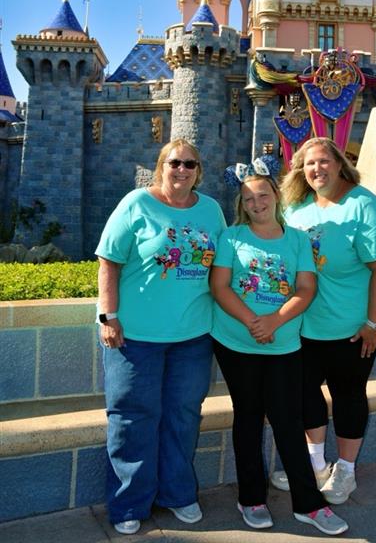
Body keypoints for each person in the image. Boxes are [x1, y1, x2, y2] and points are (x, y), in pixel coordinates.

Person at [209, 157, 348, 536]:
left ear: (276, 196)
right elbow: (219, 286)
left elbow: (306, 288)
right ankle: (251, 498)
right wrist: (252, 322)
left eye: (263, 195)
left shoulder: (298, 240)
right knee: (249, 418)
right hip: (236, 342)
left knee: (289, 421)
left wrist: (274, 321)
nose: (257, 203)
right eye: (249, 198)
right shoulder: (231, 237)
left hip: (284, 342)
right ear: (242, 204)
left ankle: (309, 504)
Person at [95, 138, 226, 535]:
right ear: (161, 166)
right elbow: (108, 262)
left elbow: (222, 266)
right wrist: (107, 316)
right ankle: (129, 503)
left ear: (198, 171)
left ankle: (178, 494)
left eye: (190, 164)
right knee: (133, 417)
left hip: (193, 336)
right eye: (174, 163)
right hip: (134, 336)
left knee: (183, 417)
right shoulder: (137, 203)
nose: (181, 170)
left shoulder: (211, 210)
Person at [271, 137, 376, 505]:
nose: (317, 169)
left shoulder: (363, 204)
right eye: (309, 164)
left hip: (355, 324)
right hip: (308, 321)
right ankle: (314, 464)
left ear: (340, 164)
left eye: (324, 161)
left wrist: (373, 323)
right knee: (302, 390)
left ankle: (345, 471)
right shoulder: (296, 204)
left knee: (347, 393)